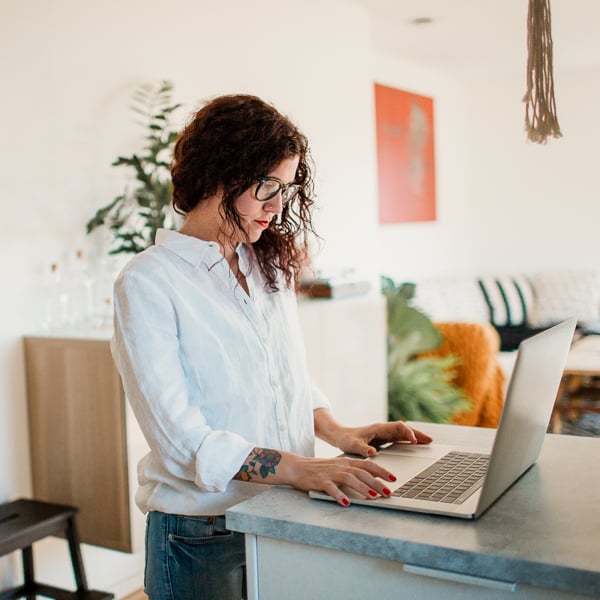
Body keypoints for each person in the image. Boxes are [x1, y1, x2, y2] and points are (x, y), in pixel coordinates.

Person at [111, 94, 432, 600]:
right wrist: (299, 468)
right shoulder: (149, 282)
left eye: (286, 189)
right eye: (267, 187)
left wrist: (334, 431)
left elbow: (284, 377)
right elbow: (181, 442)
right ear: (220, 175)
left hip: (279, 515)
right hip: (202, 535)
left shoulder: (264, 266)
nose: (277, 206)